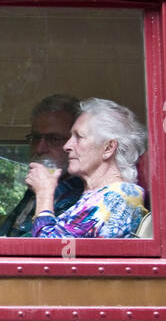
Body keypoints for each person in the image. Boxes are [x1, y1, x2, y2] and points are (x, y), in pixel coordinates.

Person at [27, 97, 147, 239]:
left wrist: (44, 193)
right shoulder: (96, 196)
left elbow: (49, 251)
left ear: (108, 148)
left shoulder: (119, 197)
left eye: (78, 137)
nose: (67, 146)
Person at [0, 94, 84, 236]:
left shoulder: (79, 195)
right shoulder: (37, 188)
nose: (40, 148)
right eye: (36, 138)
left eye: (54, 139)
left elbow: (43, 249)